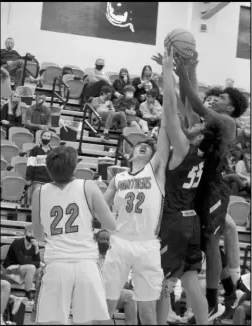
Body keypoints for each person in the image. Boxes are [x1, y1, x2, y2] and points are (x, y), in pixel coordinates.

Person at [174, 51, 249, 322]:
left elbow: (198, 104)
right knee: (207, 242)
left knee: (211, 240)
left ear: (230, 108)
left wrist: (181, 73)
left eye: (223, 98)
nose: (218, 99)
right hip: (200, 187)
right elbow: (191, 112)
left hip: (215, 187)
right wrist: (183, 74)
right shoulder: (210, 125)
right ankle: (229, 290)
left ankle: (215, 298)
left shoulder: (227, 122)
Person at [157, 47, 226, 325]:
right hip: (192, 222)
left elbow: (172, 110)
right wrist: (186, 71)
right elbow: (189, 108)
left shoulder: (183, 148)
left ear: (199, 136)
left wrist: (167, 71)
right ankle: (204, 321)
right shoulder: (204, 154)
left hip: (173, 222)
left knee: (163, 282)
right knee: (188, 280)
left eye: (197, 127)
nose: (193, 125)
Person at [102, 57, 171, 324]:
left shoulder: (154, 172)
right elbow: (100, 207)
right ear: (129, 155)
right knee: (105, 304)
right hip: (119, 242)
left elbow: (165, 130)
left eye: (148, 147)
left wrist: (166, 78)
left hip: (146, 245)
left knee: (148, 310)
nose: (143, 146)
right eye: (139, 145)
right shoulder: (117, 177)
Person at [31, 146, 116, 324]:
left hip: (56, 264)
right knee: (85, 321)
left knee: (52, 321)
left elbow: (38, 236)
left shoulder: (38, 192)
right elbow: (111, 225)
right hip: (86, 264)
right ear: (74, 167)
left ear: (48, 168)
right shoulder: (89, 187)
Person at [96, 229, 138, 325]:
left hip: (111, 295)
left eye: (107, 239)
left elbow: (125, 281)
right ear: (96, 240)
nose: (105, 241)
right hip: (94, 295)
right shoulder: (89, 255)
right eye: (102, 238)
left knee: (130, 296)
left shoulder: (115, 257)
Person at [2, 225, 43, 305]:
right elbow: (21, 261)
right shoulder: (17, 243)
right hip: (9, 270)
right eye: (30, 232)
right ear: (25, 233)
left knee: (40, 270)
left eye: (34, 233)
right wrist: (38, 263)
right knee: (31, 268)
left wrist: (37, 248)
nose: (32, 235)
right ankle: (28, 295)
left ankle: (38, 296)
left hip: (23, 270)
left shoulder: (34, 245)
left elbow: (37, 264)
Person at [25, 131, 53, 205]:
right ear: (40, 137)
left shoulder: (53, 152)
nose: (46, 138)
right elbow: (30, 165)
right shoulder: (35, 150)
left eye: (48, 136)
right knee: (36, 202)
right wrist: (28, 178)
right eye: (44, 136)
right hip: (37, 180)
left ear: (50, 139)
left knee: (45, 203)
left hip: (48, 181)